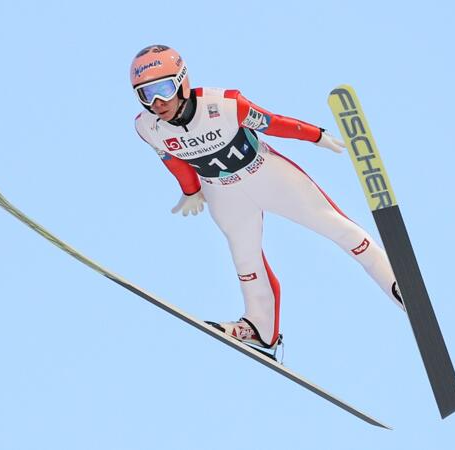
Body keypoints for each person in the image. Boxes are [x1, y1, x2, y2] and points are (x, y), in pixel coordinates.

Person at [131, 45, 404, 350]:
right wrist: (191, 191)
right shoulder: (147, 127)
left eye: (163, 89)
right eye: (145, 94)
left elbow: (273, 123)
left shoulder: (225, 104)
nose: (156, 102)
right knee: (244, 259)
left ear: (182, 81)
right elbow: (172, 159)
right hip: (222, 193)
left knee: (335, 226)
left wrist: (315, 135)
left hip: (266, 175)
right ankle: (260, 327)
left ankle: (397, 283)